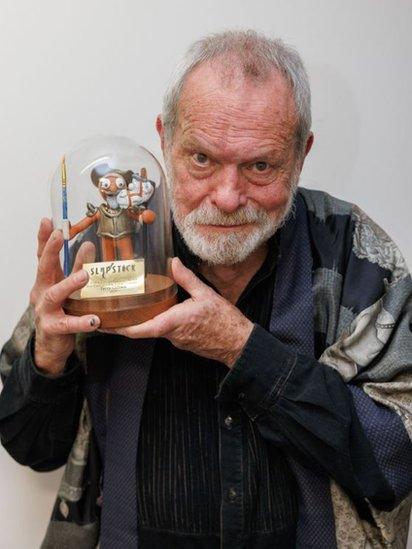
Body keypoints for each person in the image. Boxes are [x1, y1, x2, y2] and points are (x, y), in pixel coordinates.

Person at [0, 29, 411, 549]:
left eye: (260, 165)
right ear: (165, 139)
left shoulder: (354, 254)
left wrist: (242, 348)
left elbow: (397, 458)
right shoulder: (110, 247)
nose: (226, 196)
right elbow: (28, 445)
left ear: (301, 154)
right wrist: (48, 353)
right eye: (201, 160)